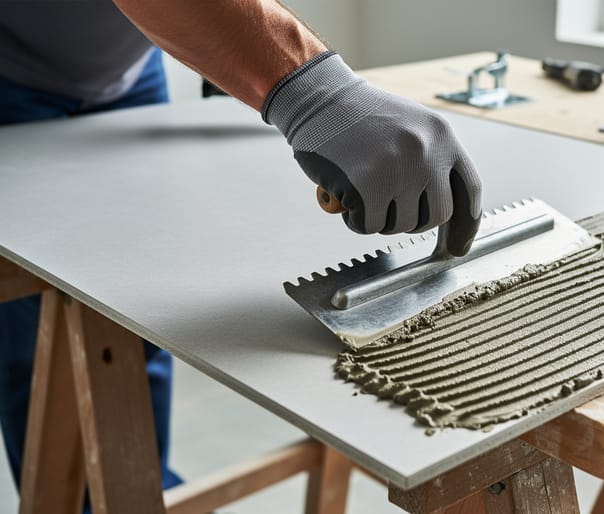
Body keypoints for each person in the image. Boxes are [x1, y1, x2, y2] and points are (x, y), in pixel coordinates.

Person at [0, 0, 482, 501]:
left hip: (127, 66)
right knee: (42, 316)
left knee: (132, 298)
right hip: (10, 71)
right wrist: (321, 97)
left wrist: (239, 70)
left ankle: (140, 485)